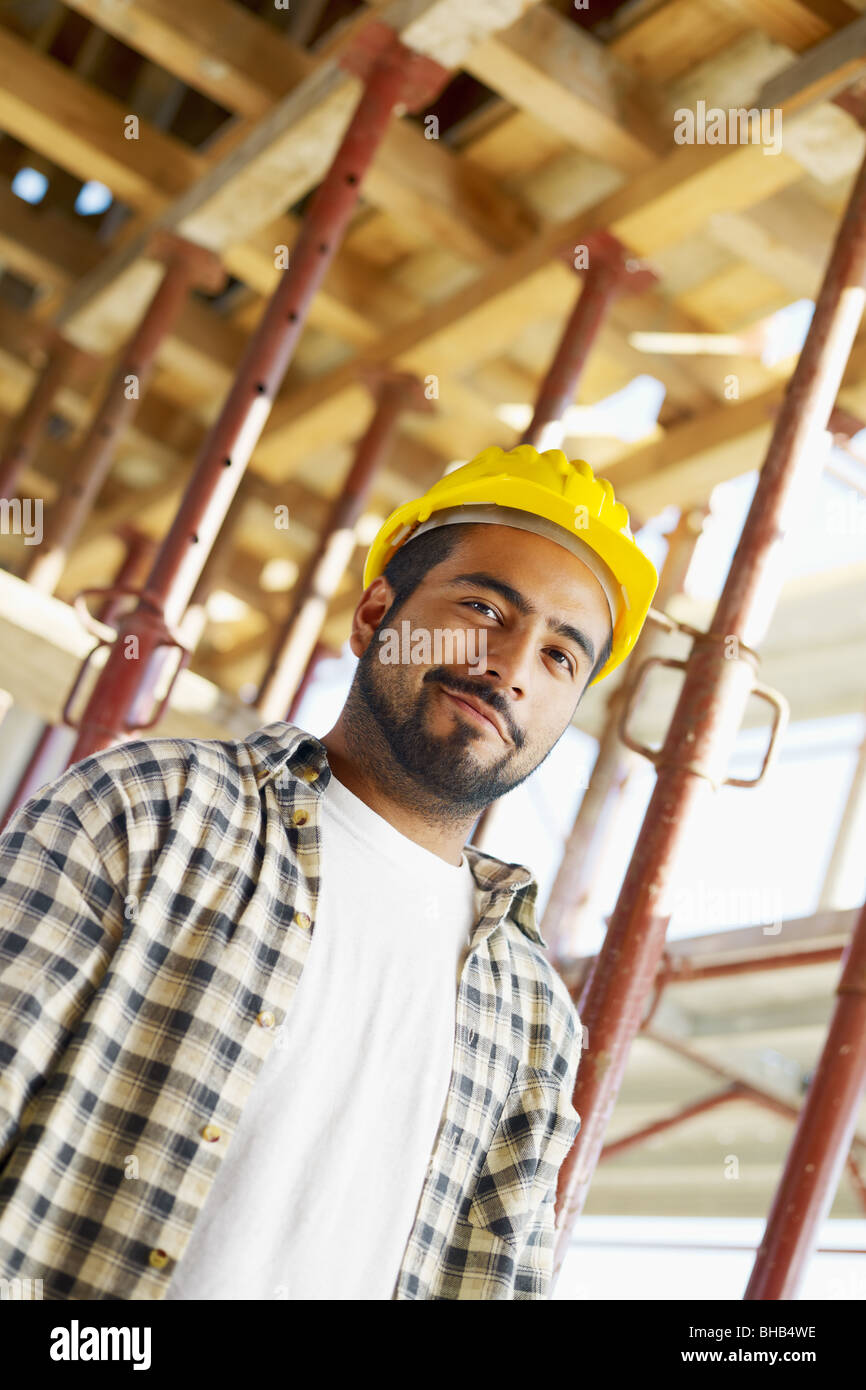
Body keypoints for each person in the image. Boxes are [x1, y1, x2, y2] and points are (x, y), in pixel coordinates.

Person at [0, 444, 658, 1301]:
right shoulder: (152, 809)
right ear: (375, 614)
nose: (511, 667)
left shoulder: (533, 1015)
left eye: (561, 657)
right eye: (484, 608)